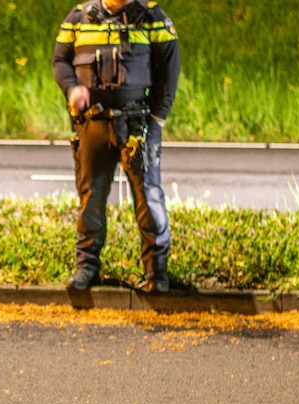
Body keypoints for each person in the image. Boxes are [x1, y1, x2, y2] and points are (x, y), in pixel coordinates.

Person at [53, 0, 180, 292]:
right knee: (91, 199)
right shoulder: (77, 18)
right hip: (92, 125)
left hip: (138, 125)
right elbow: (60, 60)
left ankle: (157, 275)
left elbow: (169, 66)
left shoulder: (152, 17)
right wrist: (72, 88)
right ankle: (86, 269)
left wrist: (158, 117)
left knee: (149, 198)